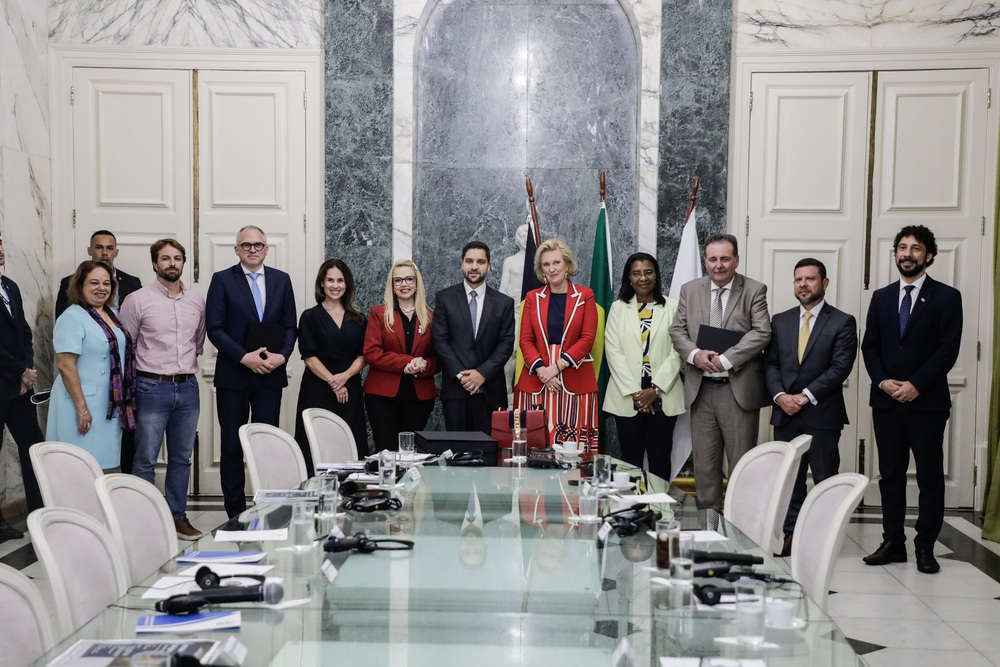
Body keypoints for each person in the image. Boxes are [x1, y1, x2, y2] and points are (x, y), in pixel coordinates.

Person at [861, 225, 962, 575]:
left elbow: (947, 350)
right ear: (895, 254)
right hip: (886, 403)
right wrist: (883, 381)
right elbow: (869, 346)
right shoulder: (882, 297)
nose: (907, 253)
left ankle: (925, 546)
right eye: (902, 247)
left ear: (928, 256)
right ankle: (892, 542)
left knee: (930, 477)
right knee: (890, 475)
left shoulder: (947, 297)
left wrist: (916, 384)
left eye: (915, 248)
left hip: (926, 403)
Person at [668, 233, 770, 511]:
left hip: (737, 392)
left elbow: (762, 332)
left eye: (725, 258)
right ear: (705, 261)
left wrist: (726, 359)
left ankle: (740, 529)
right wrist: (695, 355)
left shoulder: (754, 290)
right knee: (705, 467)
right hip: (702, 392)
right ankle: (709, 529)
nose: (719, 265)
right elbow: (677, 330)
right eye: (713, 259)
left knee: (741, 466)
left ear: (736, 260)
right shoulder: (690, 290)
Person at [764, 258, 857, 557]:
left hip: (822, 413)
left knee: (824, 478)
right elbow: (771, 364)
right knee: (789, 480)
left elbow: (840, 367)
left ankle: (822, 537)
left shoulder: (842, 321)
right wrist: (780, 396)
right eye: (798, 280)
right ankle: (791, 534)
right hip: (785, 413)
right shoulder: (780, 320)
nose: (803, 285)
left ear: (824, 283)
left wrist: (803, 396)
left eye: (810, 279)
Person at [206, 226, 297, 518]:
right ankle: (234, 513)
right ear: (236, 250)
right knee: (232, 447)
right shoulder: (222, 280)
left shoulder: (282, 281)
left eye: (258, 245)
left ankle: (266, 508)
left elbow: (290, 327)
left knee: (266, 446)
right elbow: (215, 328)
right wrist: (243, 357)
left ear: (267, 249)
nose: (253, 249)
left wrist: (282, 356)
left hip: (269, 374)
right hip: (234, 375)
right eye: (246, 245)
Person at [120, 239, 206, 541]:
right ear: (155, 263)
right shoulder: (136, 300)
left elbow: (198, 344)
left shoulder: (196, 301)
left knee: (182, 457)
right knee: (145, 457)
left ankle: (176, 516)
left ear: (183, 263)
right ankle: (143, 521)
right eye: (165, 258)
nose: (172, 263)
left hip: (187, 388)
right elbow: (125, 346)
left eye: (178, 258)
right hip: (150, 387)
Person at [56, 230, 142, 474]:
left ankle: (103, 514)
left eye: (106, 283)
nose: (101, 288)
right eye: (94, 283)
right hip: (81, 406)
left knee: (106, 468)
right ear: (80, 285)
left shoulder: (110, 316)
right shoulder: (71, 316)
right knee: (81, 471)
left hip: (109, 404)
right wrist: (82, 408)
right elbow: (65, 364)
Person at [603, 252, 684, 479]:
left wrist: (654, 389)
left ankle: (660, 511)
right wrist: (638, 394)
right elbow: (613, 351)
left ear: (656, 276)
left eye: (648, 272)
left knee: (660, 457)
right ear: (629, 278)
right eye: (636, 273)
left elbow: (678, 351)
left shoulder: (673, 307)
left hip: (663, 391)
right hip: (627, 392)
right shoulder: (619, 308)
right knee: (630, 459)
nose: (643, 278)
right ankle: (630, 512)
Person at [514, 238, 598, 449]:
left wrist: (556, 367)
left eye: (556, 263)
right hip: (536, 379)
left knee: (575, 450)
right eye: (546, 264)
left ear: (567, 264)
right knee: (534, 444)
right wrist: (543, 370)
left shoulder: (585, 296)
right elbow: (525, 339)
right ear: (541, 269)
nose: (552, 269)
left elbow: (587, 339)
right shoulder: (532, 297)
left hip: (574, 376)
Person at [433, 241, 516, 434]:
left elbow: (506, 343)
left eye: (480, 261)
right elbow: (440, 340)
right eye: (469, 261)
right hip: (456, 391)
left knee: (490, 457)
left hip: (491, 392)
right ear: (461, 264)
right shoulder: (445, 298)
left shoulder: (504, 303)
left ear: (489, 266)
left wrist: (482, 374)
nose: (474, 266)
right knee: (457, 456)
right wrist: (464, 376)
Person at [294, 259, 367, 469]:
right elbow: (309, 356)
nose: (335, 285)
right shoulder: (309, 316)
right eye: (330, 280)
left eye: (340, 280)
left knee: (351, 442)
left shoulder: (359, 318)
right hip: (317, 389)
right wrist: (334, 382)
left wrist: (343, 378)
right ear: (322, 284)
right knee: (317, 443)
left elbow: (364, 355)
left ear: (347, 284)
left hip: (350, 388)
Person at [363, 260, 439, 451]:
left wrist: (424, 365)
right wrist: (408, 362)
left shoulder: (431, 317)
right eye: (398, 280)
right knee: (386, 450)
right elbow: (372, 353)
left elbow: (438, 357)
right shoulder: (378, 313)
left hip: (419, 396)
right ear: (392, 285)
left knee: (409, 452)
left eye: (408, 279)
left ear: (416, 283)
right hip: (382, 396)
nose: (404, 284)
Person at [0, 235, 44, 538]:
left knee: (33, 448)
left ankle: (40, 513)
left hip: (21, 387)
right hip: (4, 382)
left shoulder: (10, 286)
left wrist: (28, 371)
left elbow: (24, 331)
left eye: (1, 243)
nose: (1, 249)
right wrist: (18, 372)